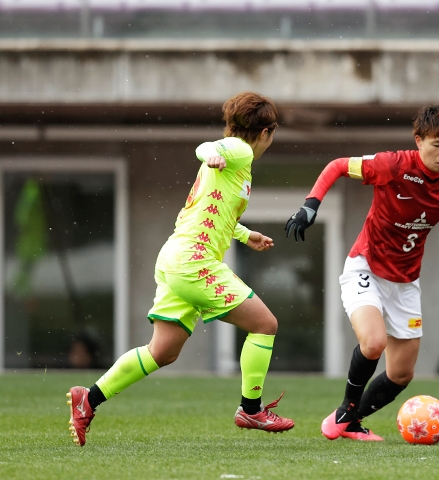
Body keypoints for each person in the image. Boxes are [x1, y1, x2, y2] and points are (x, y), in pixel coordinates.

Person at [285, 103, 439, 442]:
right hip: (366, 266)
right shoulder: (392, 165)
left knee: (401, 374)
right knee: (372, 343)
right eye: (437, 144)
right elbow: (337, 166)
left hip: (405, 281)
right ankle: (346, 408)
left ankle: (353, 421)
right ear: (418, 140)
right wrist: (310, 204)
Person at [66, 92, 294, 447]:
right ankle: (251, 408)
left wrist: (245, 234)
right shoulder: (240, 150)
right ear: (266, 131)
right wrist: (213, 152)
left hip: (175, 256)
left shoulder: (233, 163)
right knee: (265, 325)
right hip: (194, 261)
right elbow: (205, 147)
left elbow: (211, 213)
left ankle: (88, 399)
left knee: (163, 351)